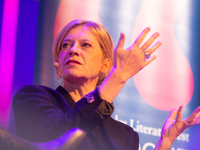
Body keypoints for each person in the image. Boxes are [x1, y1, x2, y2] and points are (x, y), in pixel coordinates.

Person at [12, 19, 200, 150]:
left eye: (85, 45)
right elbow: (59, 139)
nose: (73, 50)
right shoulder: (32, 98)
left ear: (105, 65)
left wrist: (164, 145)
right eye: (66, 45)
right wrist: (118, 77)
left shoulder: (125, 134)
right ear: (58, 64)